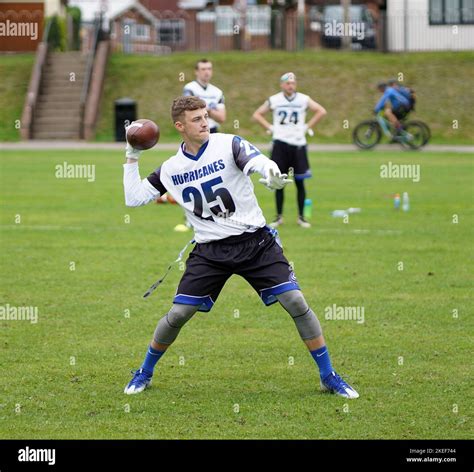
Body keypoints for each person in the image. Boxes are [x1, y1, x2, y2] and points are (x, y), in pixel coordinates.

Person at [122, 96, 359, 399]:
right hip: (210, 251)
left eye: (205, 116)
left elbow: (259, 161)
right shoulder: (171, 168)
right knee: (179, 313)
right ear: (180, 126)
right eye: (196, 119)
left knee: (296, 302)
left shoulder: (228, 144)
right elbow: (134, 198)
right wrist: (132, 155)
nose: (205, 122)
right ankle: (144, 371)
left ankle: (329, 375)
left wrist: (271, 172)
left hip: (255, 243)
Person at [252, 72, 327, 229]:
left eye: (293, 83)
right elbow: (257, 114)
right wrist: (271, 128)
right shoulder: (274, 99)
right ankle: (279, 217)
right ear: (282, 85)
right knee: (279, 182)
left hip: (298, 143)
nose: (290, 86)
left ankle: (302, 218)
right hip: (280, 143)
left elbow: (321, 111)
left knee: (300, 181)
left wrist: (307, 127)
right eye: (287, 83)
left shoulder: (303, 99)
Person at [183, 58, 226, 133]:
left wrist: (205, 109)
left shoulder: (218, 92)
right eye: (203, 69)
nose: (207, 72)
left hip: (213, 130)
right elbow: (190, 112)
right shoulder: (190, 88)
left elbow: (222, 118)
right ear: (196, 71)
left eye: (209, 69)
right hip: (196, 130)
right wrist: (211, 112)